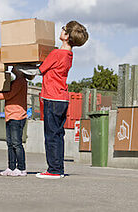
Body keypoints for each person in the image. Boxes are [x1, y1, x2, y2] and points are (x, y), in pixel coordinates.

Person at [36, 21, 89, 179]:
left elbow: (39, 71)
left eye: (64, 29)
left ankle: (54, 170)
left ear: (66, 36)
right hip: (62, 98)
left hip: (51, 97)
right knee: (58, 134)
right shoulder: (68, 54)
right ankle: (58, 168)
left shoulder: (57, 53)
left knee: (51, 135)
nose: (61, 30)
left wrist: (17, 69)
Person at [0, 66, 33, 177]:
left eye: (15, 67)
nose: (12, 68)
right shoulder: (15, 82)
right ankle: (11, 167)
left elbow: (7, 95)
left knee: (16, 143)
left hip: (17, 116)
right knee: (10, 144)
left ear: (21, 71)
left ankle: (21, 168)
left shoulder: (20, 82)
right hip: (11, 116)